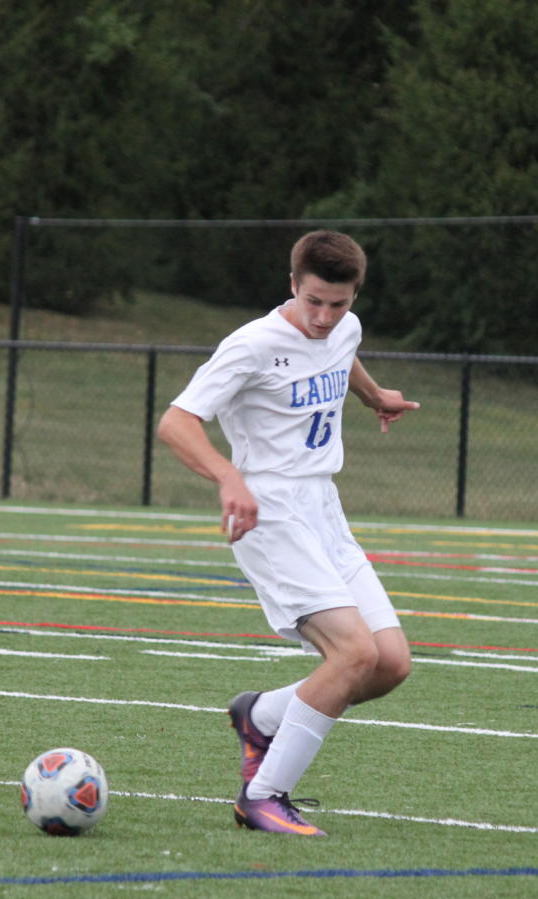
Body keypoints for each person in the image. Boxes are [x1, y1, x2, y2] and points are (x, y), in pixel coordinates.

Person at [156, 229, 420, 836]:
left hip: (324, 507)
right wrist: (228, 477)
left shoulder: (344, 329)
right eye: (314, 302)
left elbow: (340, 354)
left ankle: (262, 715)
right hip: (267, 510)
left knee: (390, 665)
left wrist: (375, 395)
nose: (325, 317)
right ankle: (264, 796)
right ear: (293, 285)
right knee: (353, 653)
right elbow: (177, 421)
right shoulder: (251, 344)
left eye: (339, 304)